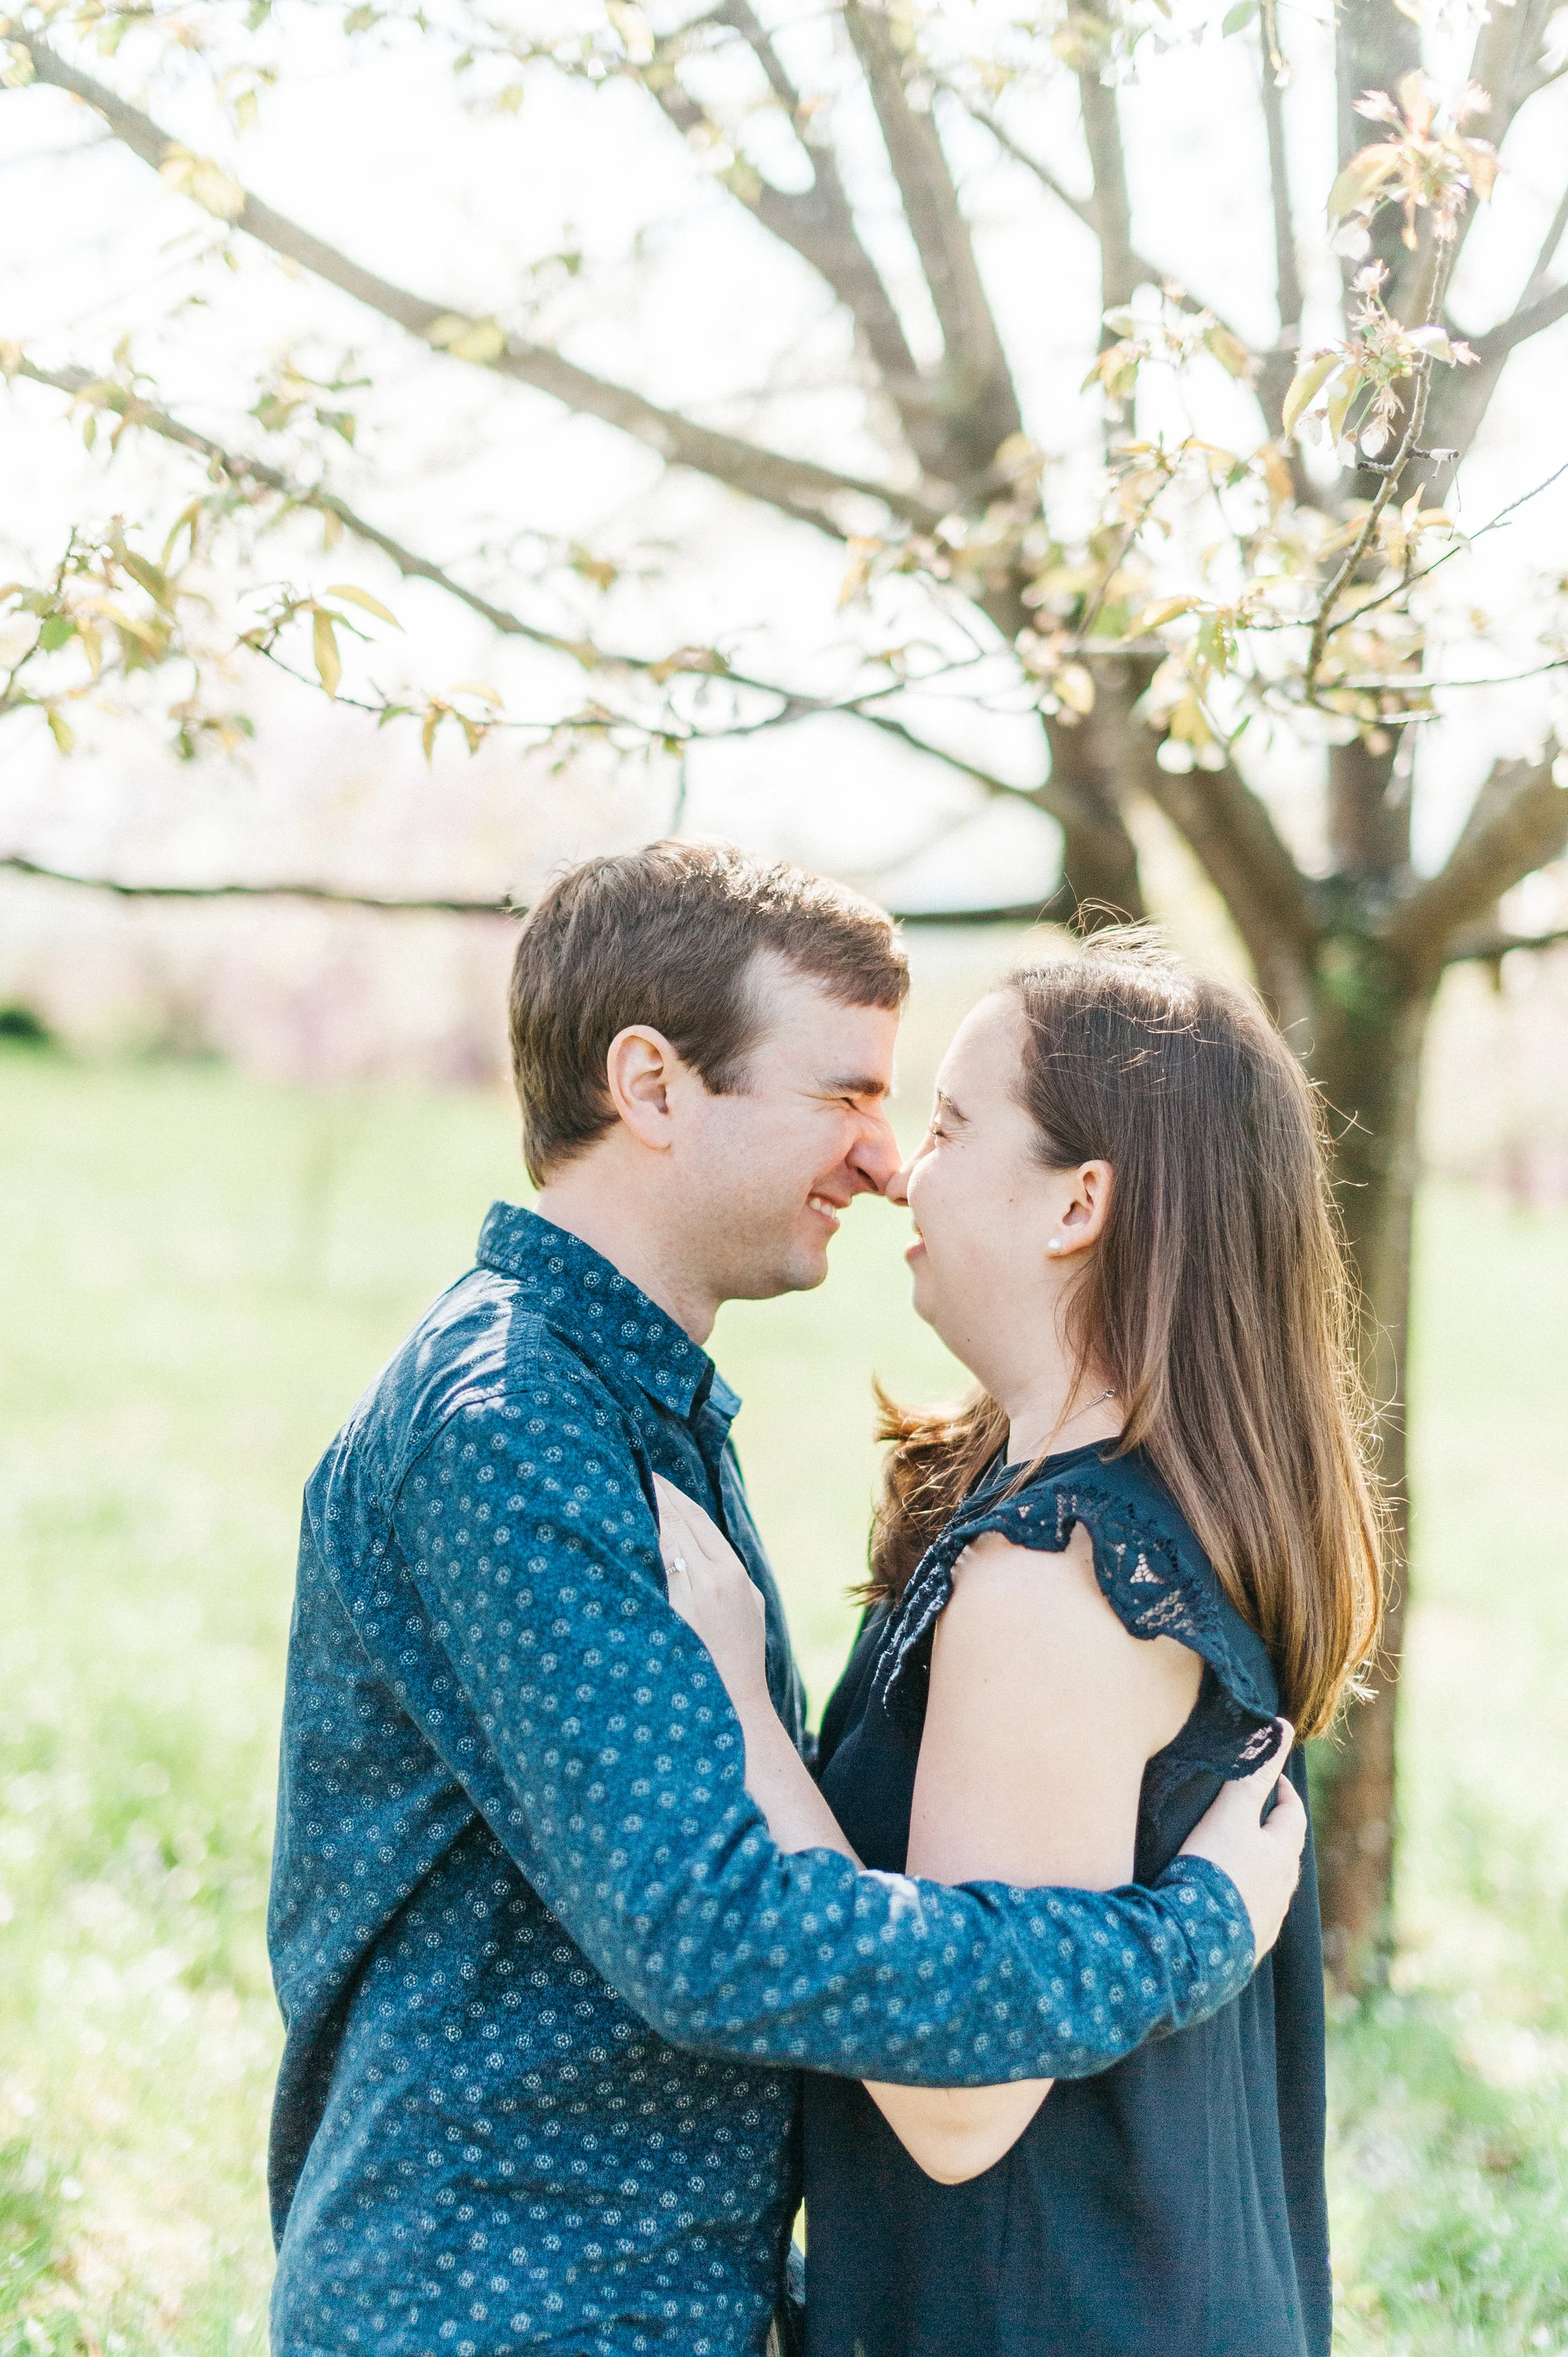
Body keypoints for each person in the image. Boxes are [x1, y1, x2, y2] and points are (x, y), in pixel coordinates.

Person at [265, 846, 1306, 2357]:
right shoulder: (511, 1432)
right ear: (653, 1086)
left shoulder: (633, 1406)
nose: (883, 1162)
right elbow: (718, 1932)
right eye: (846, 1095)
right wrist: (1188, 1936)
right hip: (507, 2293)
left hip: (644, 2288)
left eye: (917, 1114)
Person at [655, 930, 1381, 2357]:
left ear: (1076, 1204)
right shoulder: (1128, 1516)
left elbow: (957, 2103)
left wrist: (731, 1700)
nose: (895, 1169)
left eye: (947, 1125)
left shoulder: (1058, 1577)